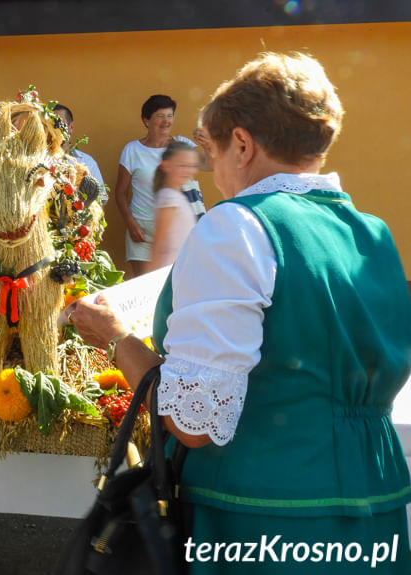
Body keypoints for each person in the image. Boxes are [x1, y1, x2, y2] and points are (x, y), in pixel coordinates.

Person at [70, 52, 411, 574]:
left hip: (264, 521)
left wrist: (117, 337)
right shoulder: (373, 232)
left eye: (214, 152)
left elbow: (193, 423)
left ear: (244, 144)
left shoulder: (238, 226)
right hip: (374, 509)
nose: (215, 175)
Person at [113, 94, 206, 277]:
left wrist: (207, 143)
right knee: (145, 291)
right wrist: (131, 224)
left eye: (170, 116)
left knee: (174, 289)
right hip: (142, 234)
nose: (166, 121)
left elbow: (209, 165)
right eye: (160, 116)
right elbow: (120, 193)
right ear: (146, 120)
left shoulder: (182, 146)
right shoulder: (132, 150)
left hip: (177, 232)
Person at [144, 140, 200, 272]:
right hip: (169, 271)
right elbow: (160, 245)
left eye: (192, 166)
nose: (188, 171)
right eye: (182, 165)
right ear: (166, 165)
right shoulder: (169, 198)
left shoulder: (177, 196)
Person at [52, 103, 108, 204]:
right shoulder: (39, 160)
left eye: (60, 124)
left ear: (71, 127)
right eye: (52, 125)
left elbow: (101, 200)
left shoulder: (87, 162)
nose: (56, 129)